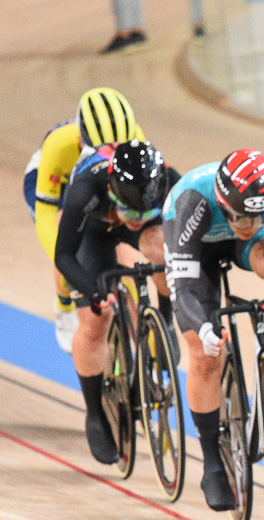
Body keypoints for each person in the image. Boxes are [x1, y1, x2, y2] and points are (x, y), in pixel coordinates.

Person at [163, 149, 264, 512]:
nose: (249, 224)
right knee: (204, 354)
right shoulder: (192, 201)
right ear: (221, 200)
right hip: (195, 247)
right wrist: (203, 329)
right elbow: (182, 291)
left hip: (237, 247)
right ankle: (212, 461)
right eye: (239, 216)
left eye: (259, 216)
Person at [54, 139, 178, 465]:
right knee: (95, 322)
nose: (135, 218)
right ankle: (95, 414)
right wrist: (92, 294)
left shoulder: (169, 181)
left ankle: (164, 320)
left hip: (135, 231)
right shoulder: (86, 190)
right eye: (129, 211)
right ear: (111, 189)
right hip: (92, 232)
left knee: (166, 253)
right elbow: (63, 255)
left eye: (144, 212)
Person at [23, 87, 144, 353]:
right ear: (82, 142)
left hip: (103, 184)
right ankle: (64, 303)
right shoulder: (60, 144)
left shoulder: (136, 139)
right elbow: (47, 217)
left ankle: (143, 346)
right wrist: (68, 263)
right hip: (60, 183)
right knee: (66, 235)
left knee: (128, 256)